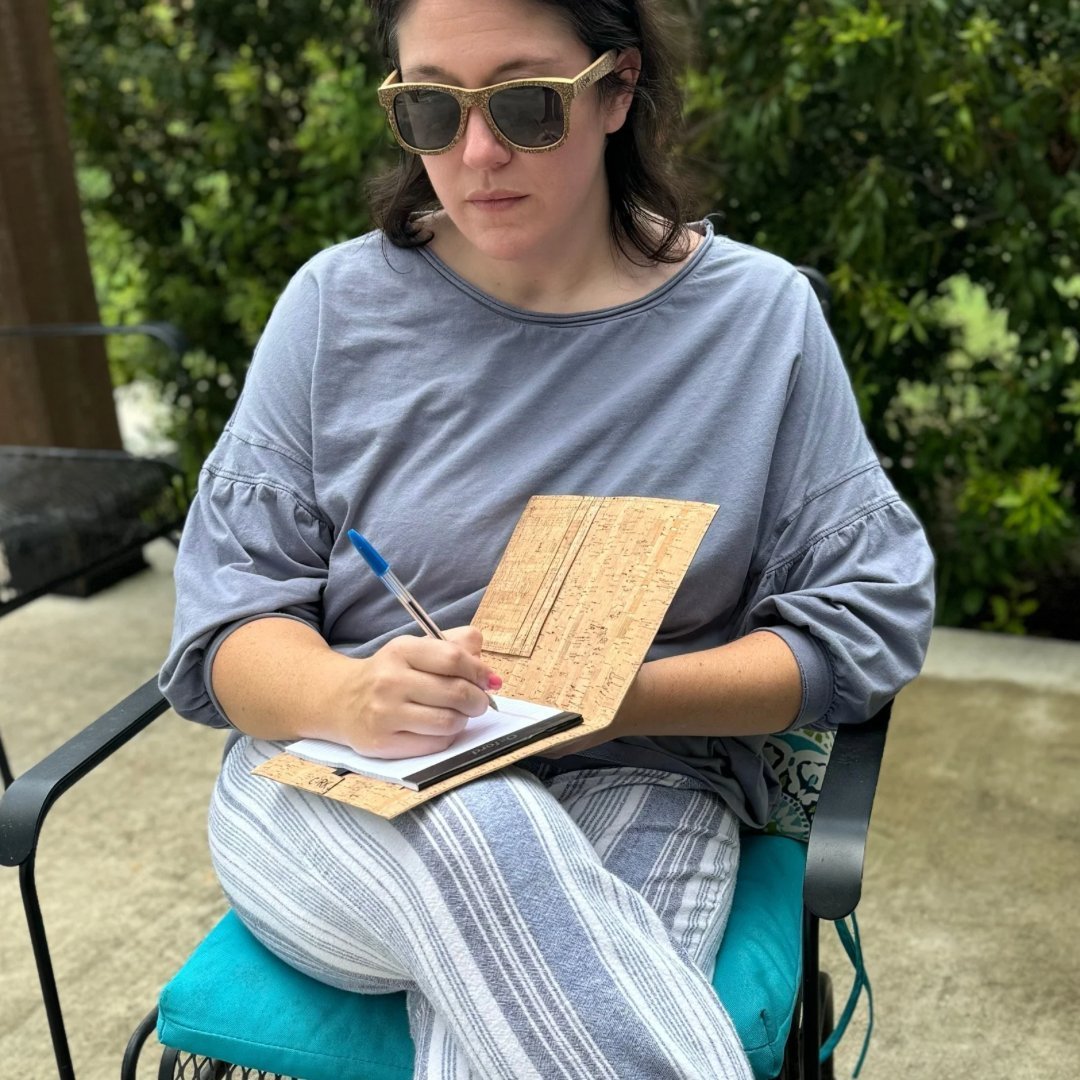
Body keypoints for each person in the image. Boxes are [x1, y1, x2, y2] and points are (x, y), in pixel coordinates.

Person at [160, 0, 936, 1076]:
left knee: (537, 1012)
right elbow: (226, 632)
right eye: (431, 109)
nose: (475, 153)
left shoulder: (757, 322)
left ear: (617, 89)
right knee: (498, 844)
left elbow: (863, 628)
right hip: (329, 786)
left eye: (525, 105)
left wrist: (617, 697)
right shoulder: (334, 309)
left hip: (644, 777)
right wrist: (349, 696)